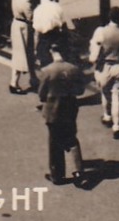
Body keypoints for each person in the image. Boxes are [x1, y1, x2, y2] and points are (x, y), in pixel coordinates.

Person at [37, 43, 86, 187]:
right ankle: (79, 171)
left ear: (52, 52)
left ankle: (57, 175)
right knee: (72, 138)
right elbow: (80, 91)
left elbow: (41, 95)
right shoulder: (74, 69)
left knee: (54, 142)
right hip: (70, 108)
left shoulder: (47, 71)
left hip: (53, 111)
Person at [88, 6, 119, 136]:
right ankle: (117, 126)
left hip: (104, 67)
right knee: (116, 96)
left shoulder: (101, 32)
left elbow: (94, 51)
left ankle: (107, 116)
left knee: (105, 92)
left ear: (109, 17)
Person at [9, 0, 39, 95]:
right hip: (23, 27)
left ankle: (34, 78)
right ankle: (13, 83)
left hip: (17, 25)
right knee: (22, 55)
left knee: (26, 54)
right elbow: (30, 16)